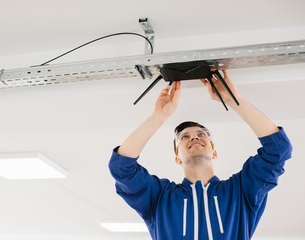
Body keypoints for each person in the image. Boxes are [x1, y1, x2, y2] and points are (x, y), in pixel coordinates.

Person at [108, 70, 292, 240]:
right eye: (184, 137)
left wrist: (233, 100)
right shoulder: (159, 198)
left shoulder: (241, 191)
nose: (194, 137)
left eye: (201, 134)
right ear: (177, 157)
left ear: (214, 152)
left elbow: (278, 150)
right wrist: (159, 116)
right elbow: (121, 168)